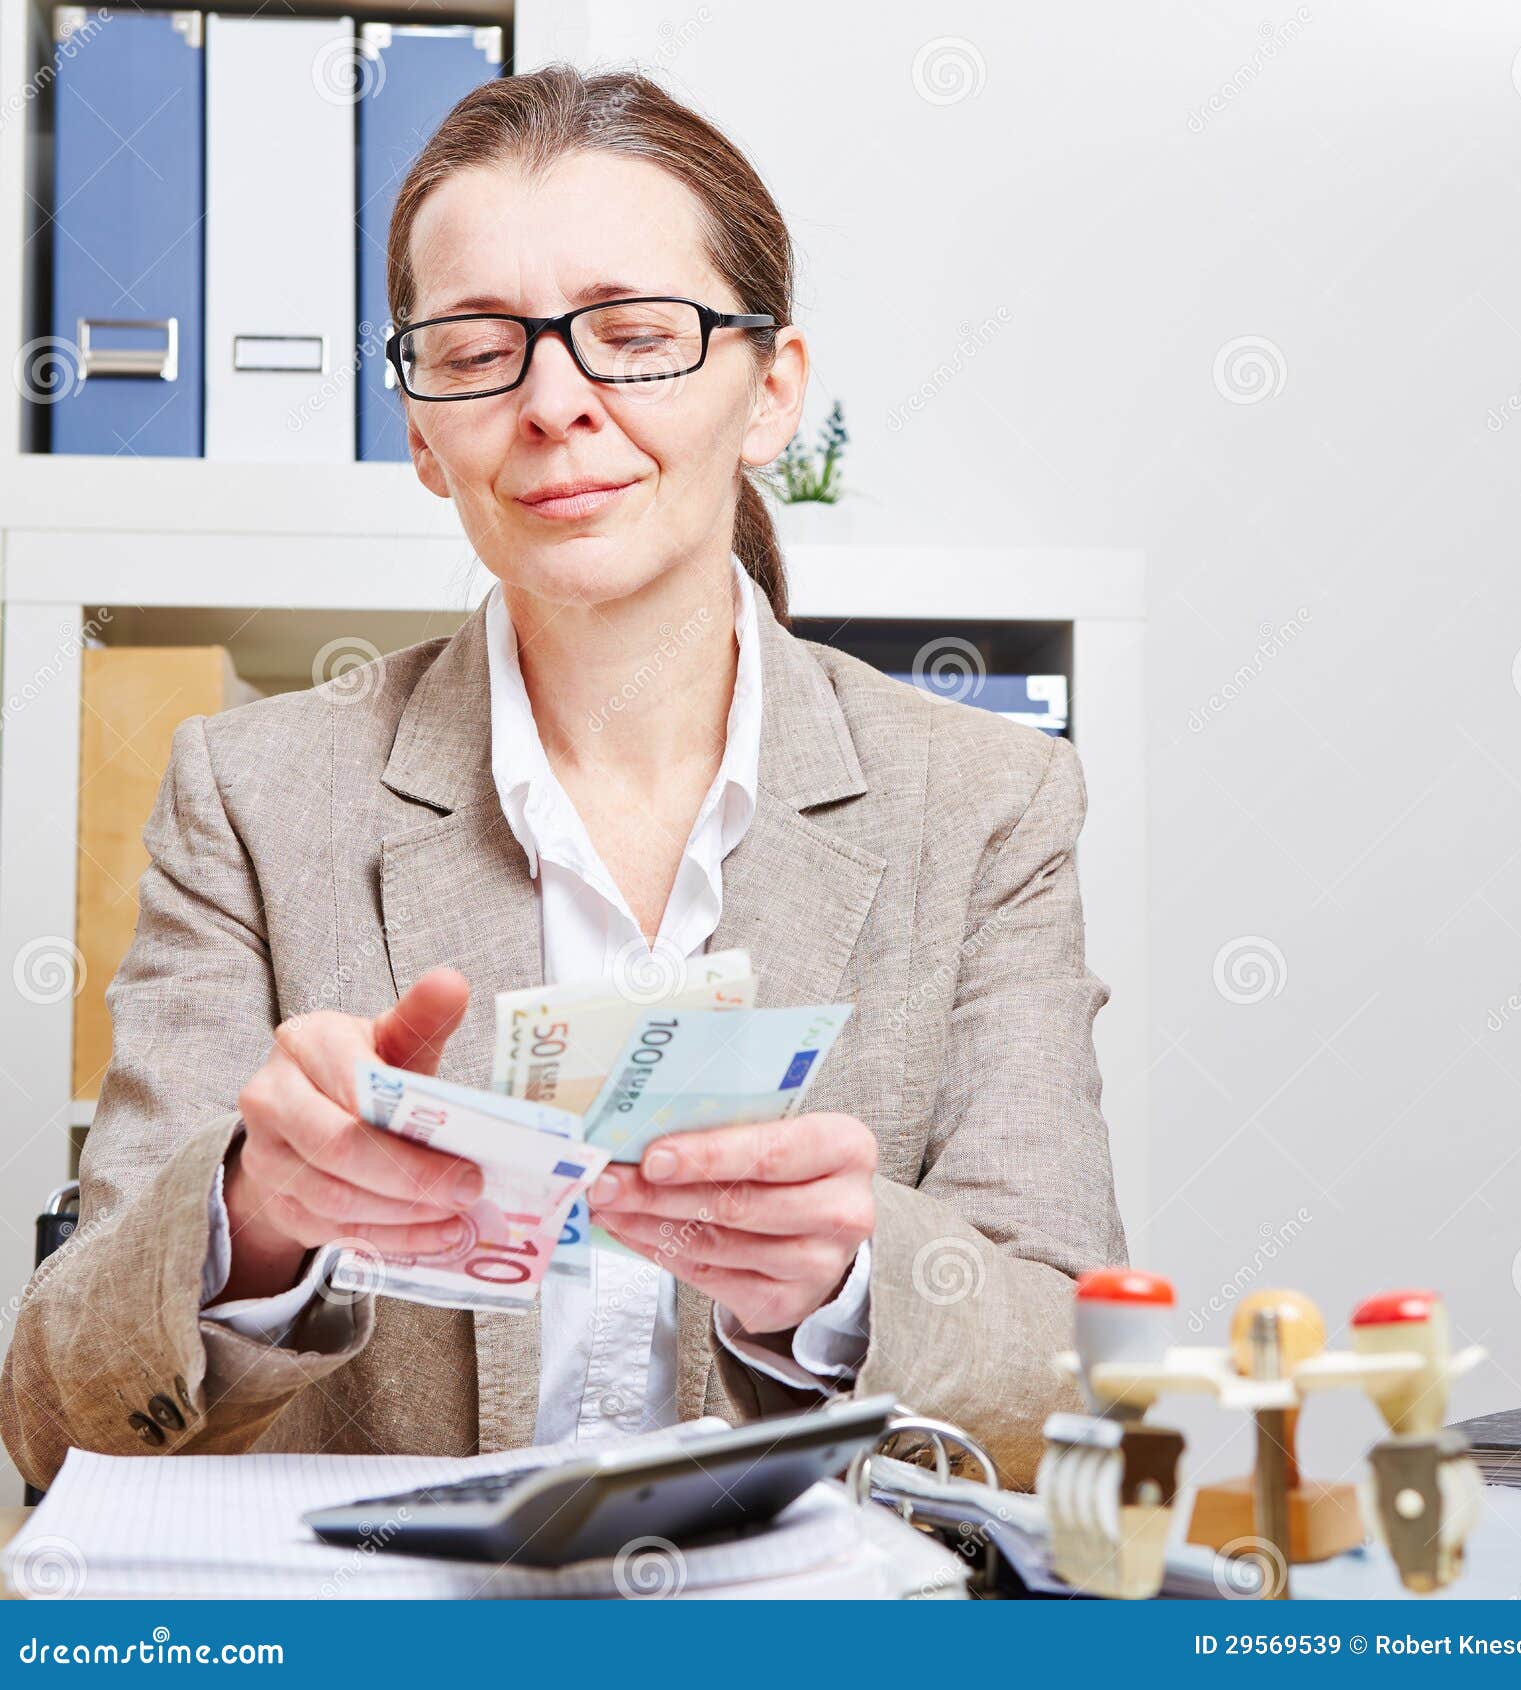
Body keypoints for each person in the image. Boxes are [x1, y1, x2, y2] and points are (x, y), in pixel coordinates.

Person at [0, 64, 1126, 1493]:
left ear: (769, 390)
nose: (552, 402)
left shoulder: (982, 807)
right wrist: (252, 1220)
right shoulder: (252, 796)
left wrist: (849, 1278)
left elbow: (1084, 1394)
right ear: (422, 429)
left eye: (636, 336)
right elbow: (55, 1417)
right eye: (475, 351)